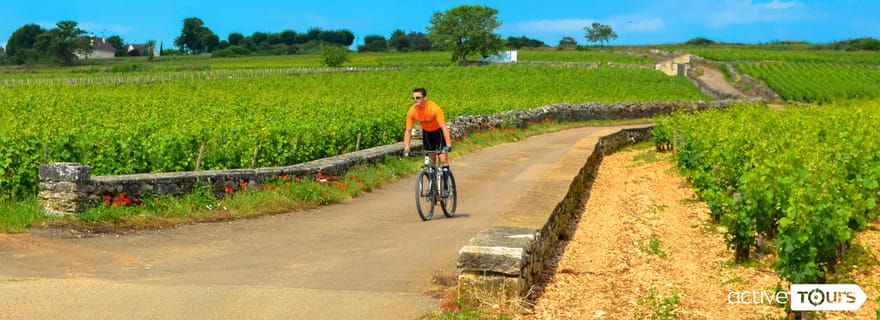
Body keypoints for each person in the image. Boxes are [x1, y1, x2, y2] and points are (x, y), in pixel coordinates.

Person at [403, 87, 453, 195]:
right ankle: (432, 187)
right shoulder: (412, 111)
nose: (415, 100)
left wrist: (448, 145)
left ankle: (445, 187)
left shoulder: (433, 108)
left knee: (443, 159)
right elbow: (408, 131)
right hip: (427, 133)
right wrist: (407, 148)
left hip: (438, 133)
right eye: (413, 98)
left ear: (425, 97)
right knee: (431, 162)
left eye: (418, 97)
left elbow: (444, 127)